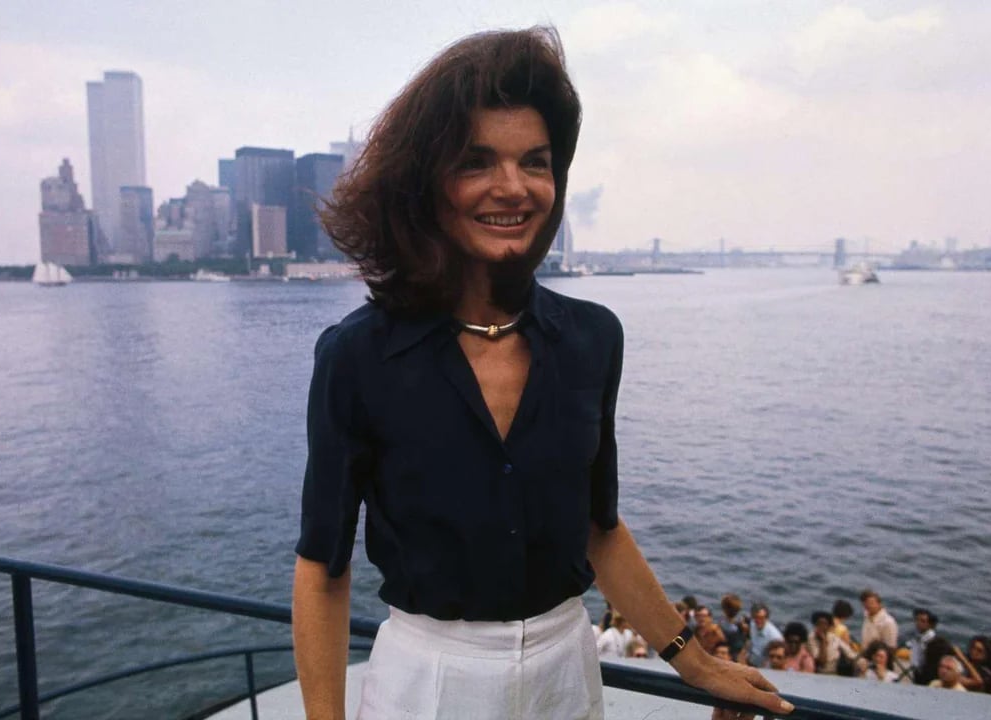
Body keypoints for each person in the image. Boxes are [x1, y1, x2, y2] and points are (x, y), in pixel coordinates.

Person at [289, 27, 793, 720]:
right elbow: (324, 568)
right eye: (476, 162)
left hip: (568, 669)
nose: (513, 188)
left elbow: (601, 527)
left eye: (536, 162)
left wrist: (695, 662)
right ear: (426, 183)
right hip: (428, 681)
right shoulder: (358, 357)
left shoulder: (592, 339)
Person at [807, 611, 857, 675]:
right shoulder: (811, 638)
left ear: (829, 627)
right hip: (818, 673)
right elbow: (822, 662)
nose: (821, 627)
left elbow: (850, 654)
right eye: (819, 624)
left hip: (834, 672)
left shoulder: (833, 638)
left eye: (824, 624)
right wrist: (823, 641)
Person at [746, 603, 784, 668]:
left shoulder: (775, 636)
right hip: (751, 661)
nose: (758, 620)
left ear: (766, 618)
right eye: (756, 617)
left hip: (764, 667)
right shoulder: (752, 624)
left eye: (761, 618)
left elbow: (777, 658)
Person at [906, 608, 937, 683]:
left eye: (923, 621)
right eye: (917, 620)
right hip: (916, 671)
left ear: (930, 624)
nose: (918, 623)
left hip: (925, 674)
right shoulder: (919, 636)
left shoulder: (931, 641)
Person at [718, 593, 749, 662]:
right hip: (736, 654)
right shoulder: (743, 623)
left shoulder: (722, 623)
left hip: (728, 654)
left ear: (724, 609)